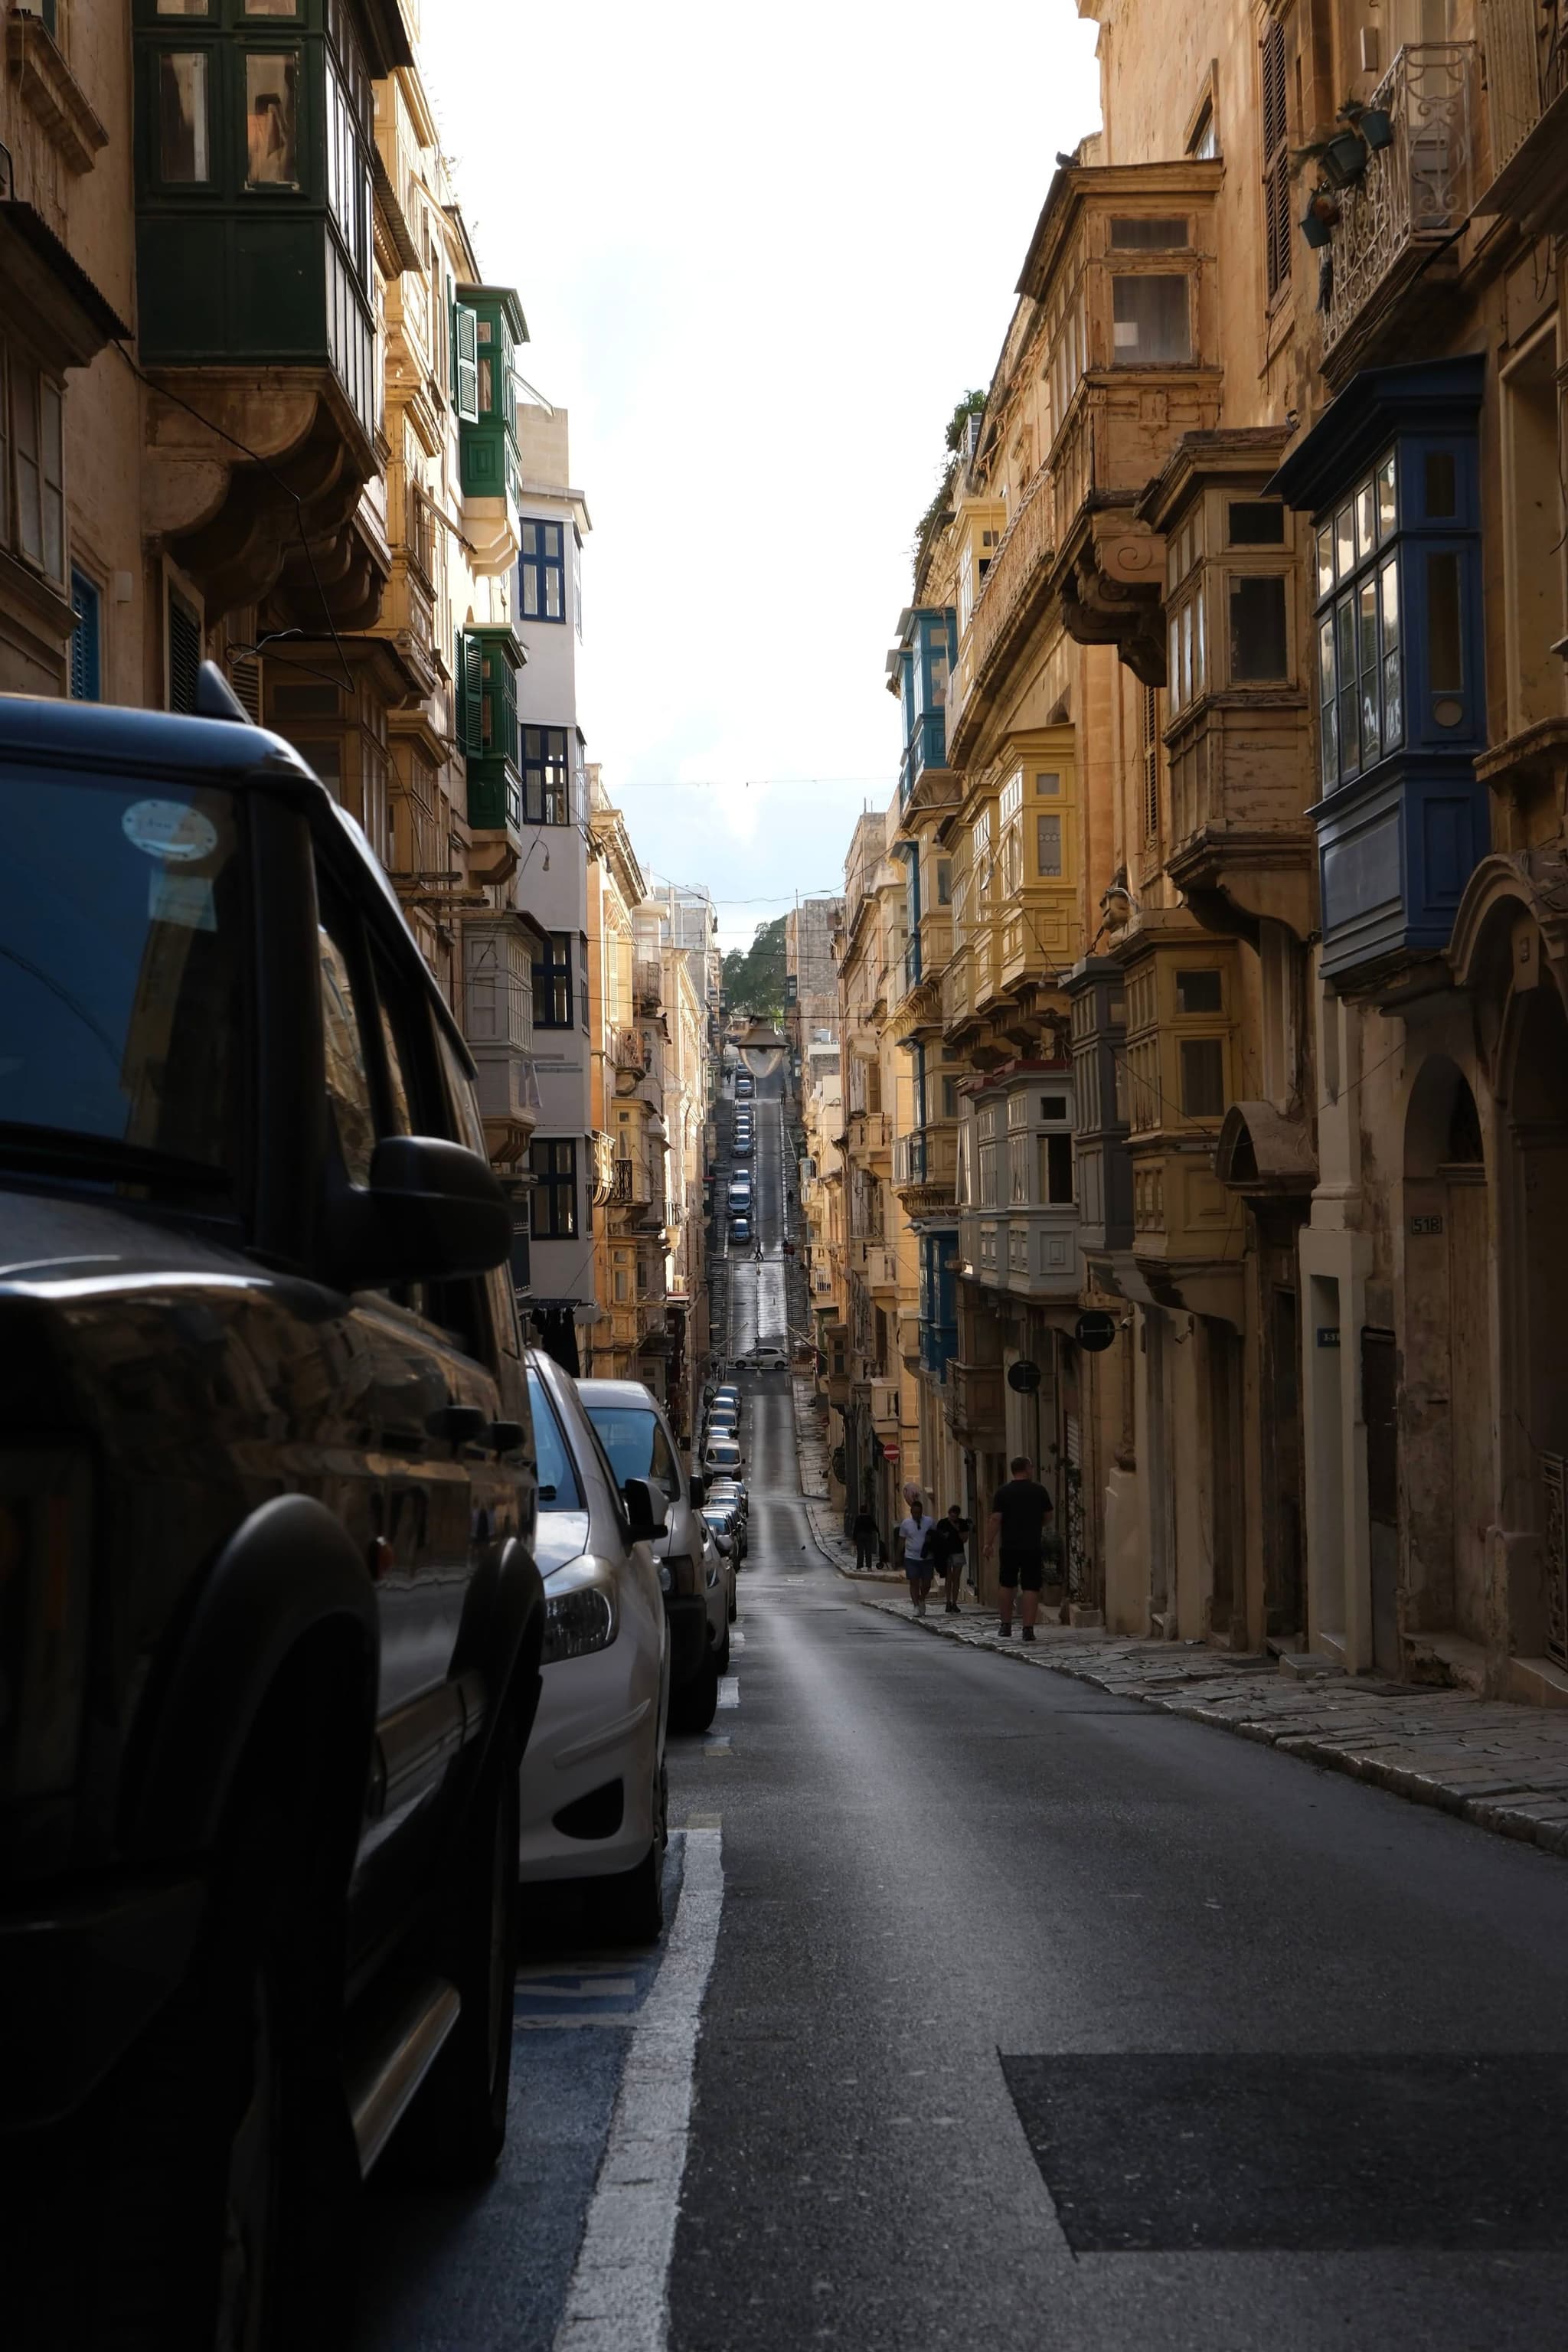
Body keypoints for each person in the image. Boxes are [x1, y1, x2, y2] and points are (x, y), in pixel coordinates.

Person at [985, 1455, 1054, 1641]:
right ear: (1027, 1468)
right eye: (1031, 1466)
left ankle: (1005, 1625)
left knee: (1007, 1584)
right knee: (1031, 1586)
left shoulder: (1003, 1492)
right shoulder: (1039, 1491)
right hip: (1032, 1544)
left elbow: (995, 1519)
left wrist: (988, 1543)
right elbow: (1048, 1516)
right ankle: (1028, 1629)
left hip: (1009, 1545)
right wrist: (1036, 1524)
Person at [894, 1481, 938, 1618]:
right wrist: (898, 1555)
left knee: (926, 1583)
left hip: (927, 1557)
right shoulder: (906, 1524)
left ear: (921, 1512)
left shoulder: (929, 1522)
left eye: (918, 1513)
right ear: (911, 1512)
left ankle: (921, 1598)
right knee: (913, 1581)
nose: (916, 1515)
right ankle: (915, 1606)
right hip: (911, 1557)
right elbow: (902, 1540)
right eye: (914, 1513)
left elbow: (936, 1537)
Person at [929, 1502, 972, 1614]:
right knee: (948, 1578)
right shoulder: (942, 1523)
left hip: (958, 1553)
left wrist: (957, 1530)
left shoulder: (962, 1523)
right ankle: (948, 1602)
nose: (953, 1518)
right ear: (949, 1514)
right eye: (951, 1516)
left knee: (956, 1578)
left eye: (955, 1516)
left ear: (958, 1515)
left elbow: (965, 1539)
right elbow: (937, 1538)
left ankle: (954, 1603)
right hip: (946, 1553)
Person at [851, 1504, 877, 1573]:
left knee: (860, 1552)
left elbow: (855, 1529)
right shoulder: (869, 1518)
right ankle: (869, 1567)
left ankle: (859, 1567)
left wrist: (854, 1539)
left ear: (860, 1511)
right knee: (868, 1552)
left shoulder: (858, 1518)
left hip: (859, 1536)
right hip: (868, 1536)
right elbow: (874, 1526)